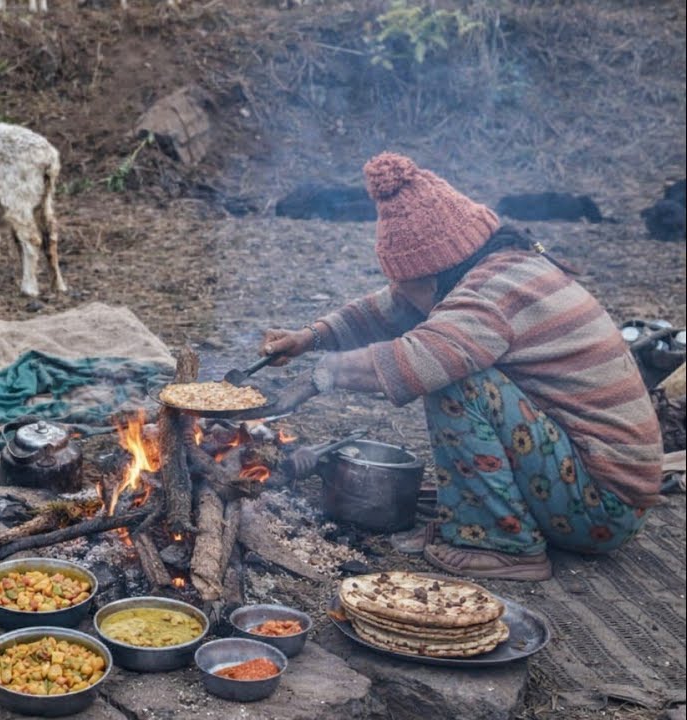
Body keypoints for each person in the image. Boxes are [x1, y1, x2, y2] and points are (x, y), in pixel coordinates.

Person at [263, 152, 663, 582]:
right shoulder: (493, 267)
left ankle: (504, 545)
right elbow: (389, 309)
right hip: (593, 486)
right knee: (448, 359)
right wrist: (311, 337)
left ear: (438, 274)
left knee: (455, 380)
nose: (398, 295)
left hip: (604, 508)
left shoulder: (488, 297)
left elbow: (414, 360)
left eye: (406, 285)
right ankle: (473, 519)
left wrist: (323, 374)